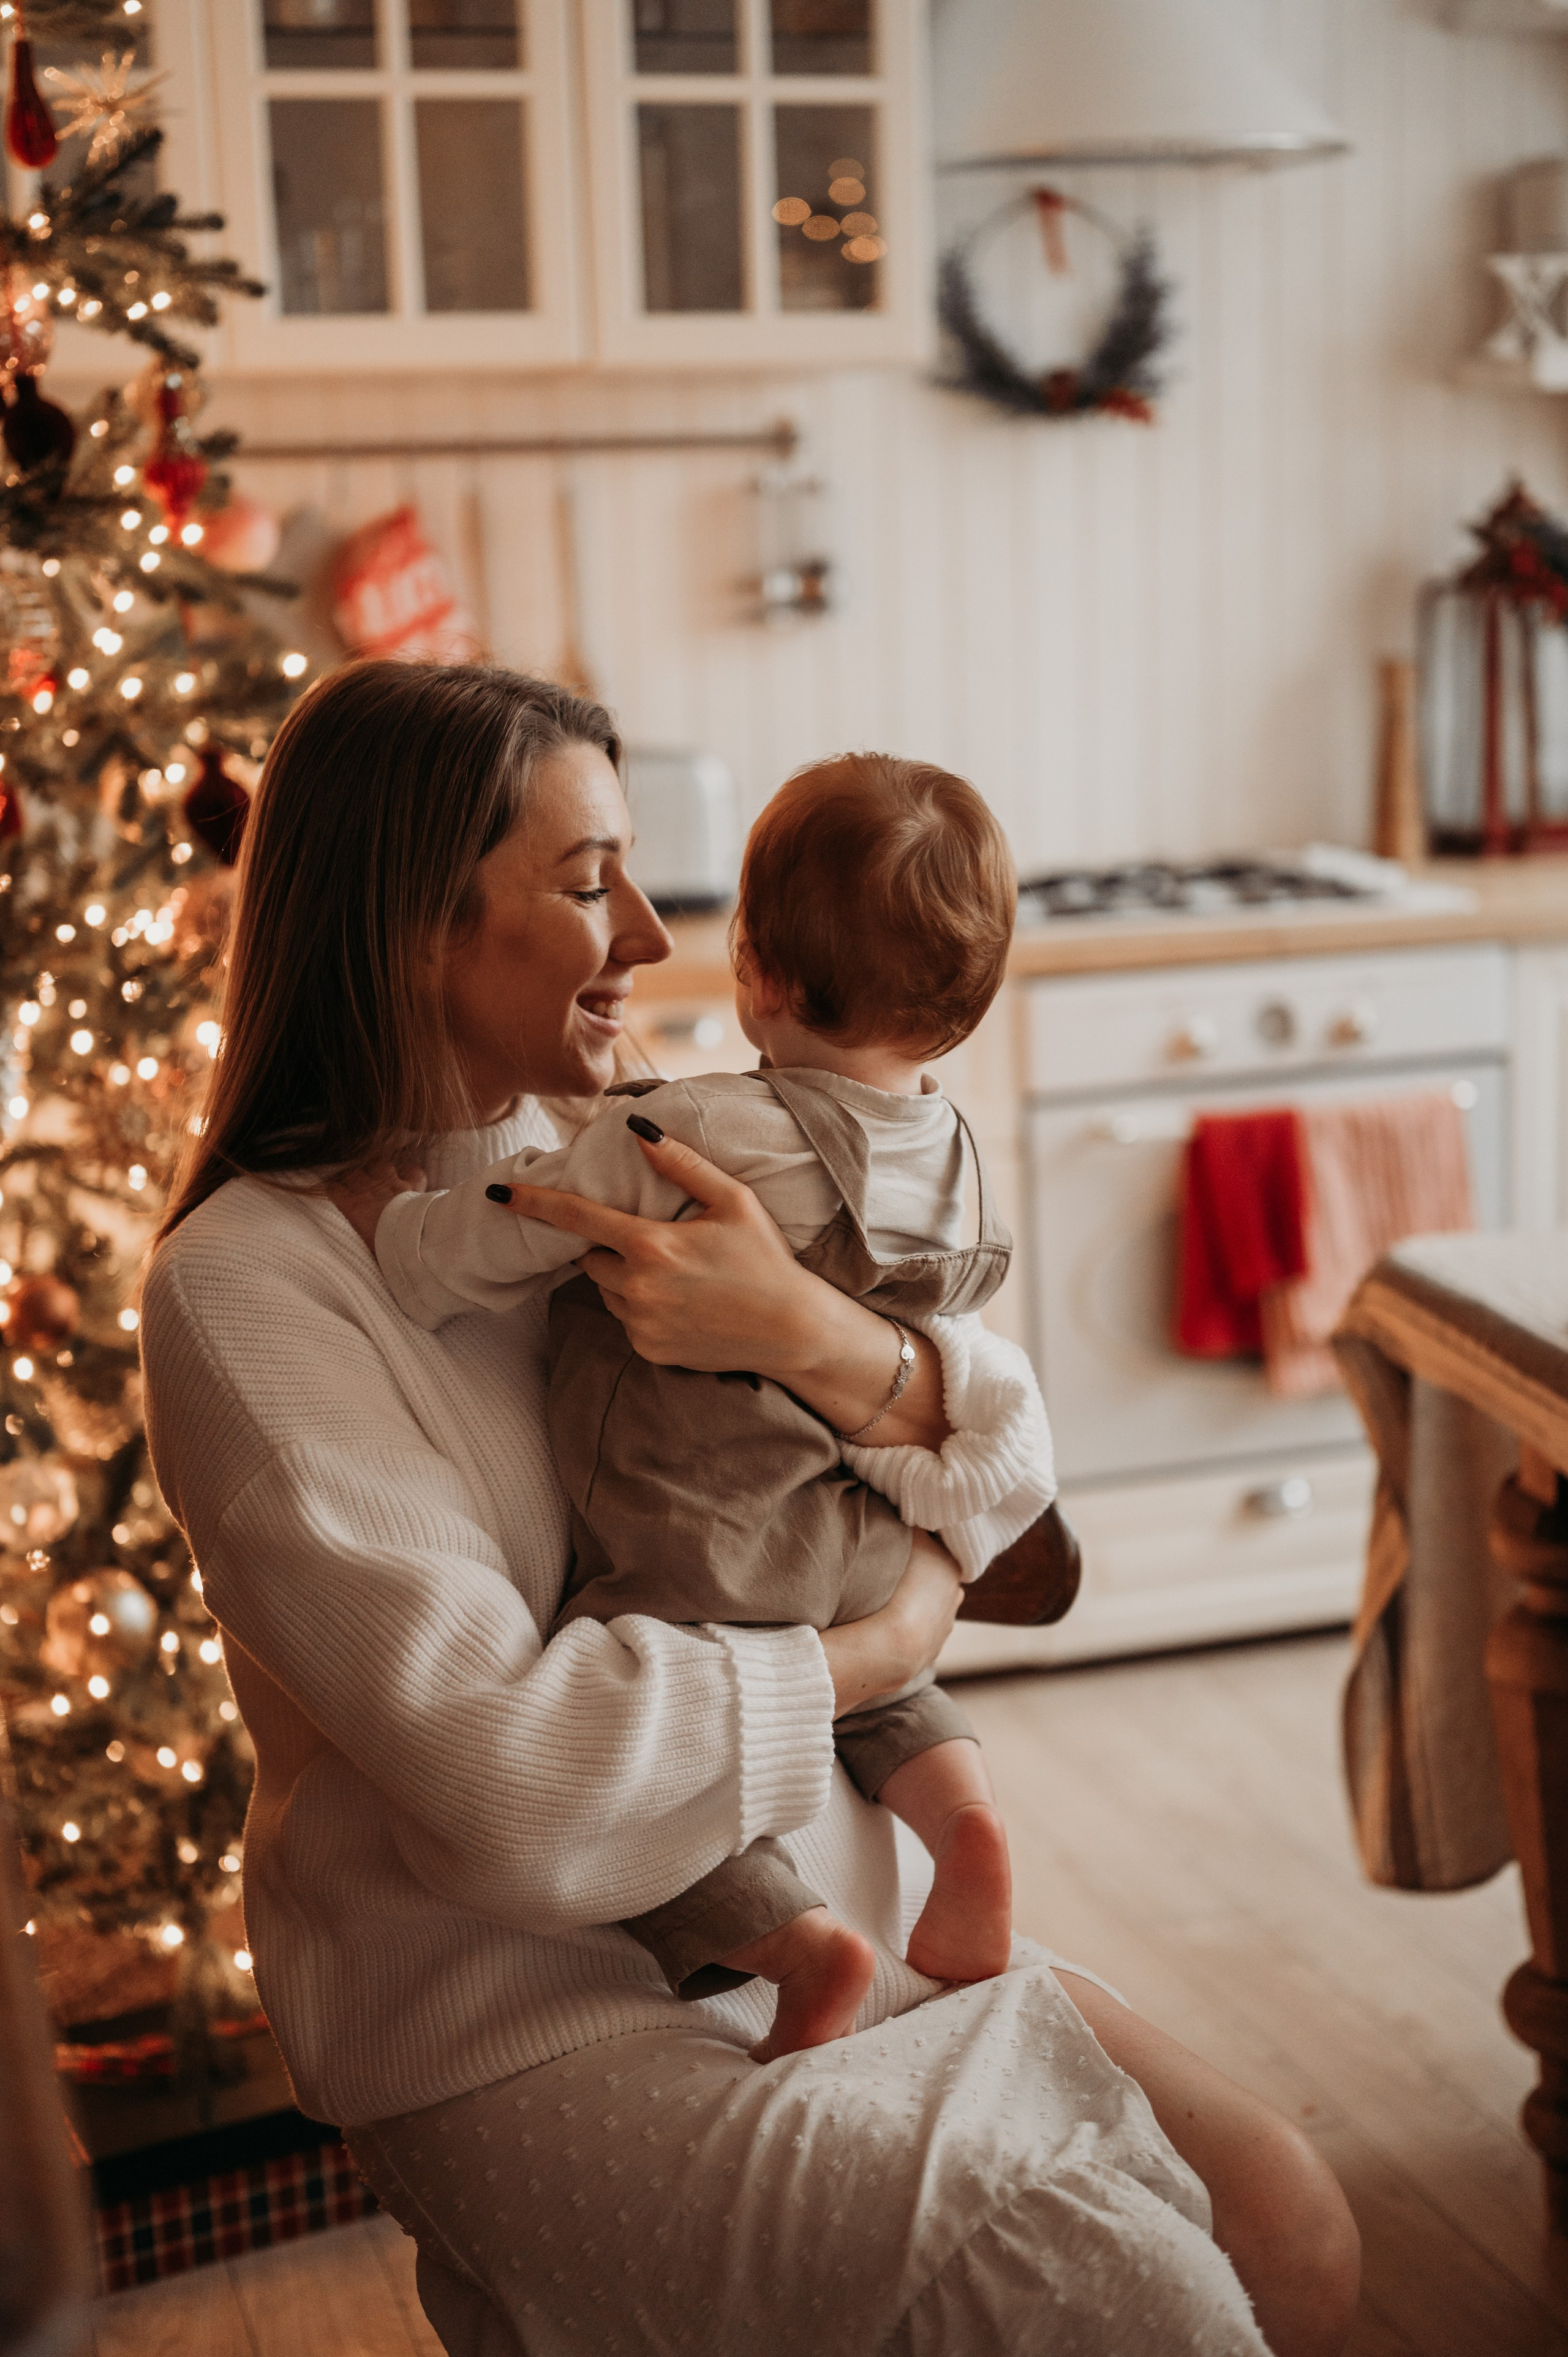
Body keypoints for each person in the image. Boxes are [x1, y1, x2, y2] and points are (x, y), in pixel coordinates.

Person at [140, 660, 1359, 2357]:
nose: (647, 934)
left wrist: (817, 1339)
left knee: (1291, 2219)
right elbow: (517, 1784)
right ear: (421, 921)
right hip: (529, 2011)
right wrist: (879, 1645)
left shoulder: (629, 1138)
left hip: (833, 1906)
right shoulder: (254, 1288)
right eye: (586, 883)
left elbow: (1008, 1485)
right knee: (1133, 2298)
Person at [369, 750, 1044, 2061]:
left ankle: (797, 1946)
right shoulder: (958, 1169)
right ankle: (961, 1818)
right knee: (880, 1697)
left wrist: (395, 1242)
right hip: (850, 1530)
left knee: (620, 1745)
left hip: (704, 1538)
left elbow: (499, 1230)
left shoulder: (685, 1135)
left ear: (760, 973)